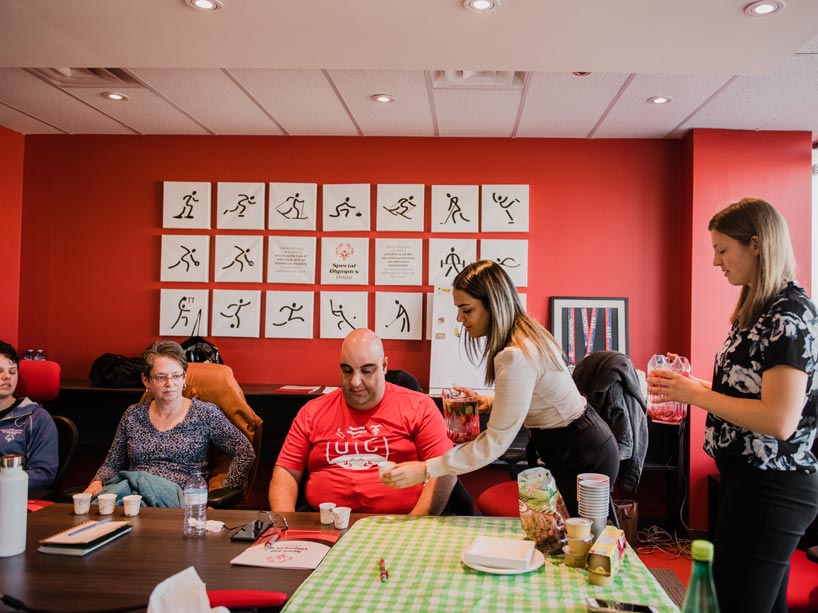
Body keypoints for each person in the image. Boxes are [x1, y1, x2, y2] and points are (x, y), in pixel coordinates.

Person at [647, 198, 818, 613]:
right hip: (749, 482)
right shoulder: (759, 312)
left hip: (774, 487)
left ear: (757, 245)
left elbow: (779, 420)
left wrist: (696, 395)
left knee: (732, 603)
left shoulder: (789, 317)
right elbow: (750, 396)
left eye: (723, 249)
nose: (715, 261)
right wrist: (691, 385)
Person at [381, 260, 619, 517]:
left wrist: (426, 469)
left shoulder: (516, 355)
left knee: (583, 541)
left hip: (582, 454)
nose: (460, 319)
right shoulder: (528, 334)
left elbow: (493, 445)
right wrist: (491, 401)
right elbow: (538, 392)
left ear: (492, 305)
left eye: (466, 309)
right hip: (585, 443)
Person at [269, 328, 456, 514]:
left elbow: (446, 471)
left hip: (401, 523)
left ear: (384, 366)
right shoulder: (312, 411)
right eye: (347, 371)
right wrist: (286, 526)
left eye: (366, 371)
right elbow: (286, 472)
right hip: (325, 523)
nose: (355, 382)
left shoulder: (419, 406)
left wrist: (413, 526)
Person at [84, 340, 255, 503]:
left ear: (184, 378)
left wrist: (222, 493)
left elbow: (245, 452)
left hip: (178, 502)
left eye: (176, 376)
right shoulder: (133, 415)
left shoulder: (205, 413)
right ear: (146, 380)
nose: (169, 383)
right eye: (160, 377)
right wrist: (97, 482)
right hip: (132, 498)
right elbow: (112, 463)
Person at [0, 341, 58, 491]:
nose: (7, 377)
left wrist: (5, 481)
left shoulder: (37, 418)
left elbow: (43, 474)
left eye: (12, 372)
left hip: (11, 497)